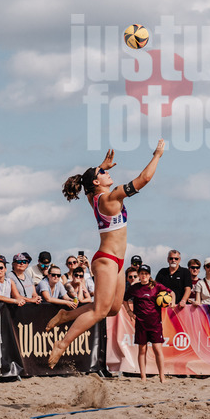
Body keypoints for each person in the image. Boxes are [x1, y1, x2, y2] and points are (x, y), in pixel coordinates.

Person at [46, 141, 166, 368]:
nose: (108, 174)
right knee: (100, 311)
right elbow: (144, 179)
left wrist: (101, 167)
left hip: (117, 261)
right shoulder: (111, 198)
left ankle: (65, 315)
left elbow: (90, 186)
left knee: (112, 308)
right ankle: (62, 344)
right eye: (103, 174)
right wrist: (158, 155)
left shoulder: (94, 197)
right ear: (96, 181)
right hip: (106, 260)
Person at [125, 265, 172, 382]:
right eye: (141, 273)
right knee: (142, 350)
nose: (144, 275)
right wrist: (129, 312)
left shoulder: (156, 286)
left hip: (155, 324)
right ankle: (143, 377)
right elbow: (124, 299)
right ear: (139, 275)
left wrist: (173, 302)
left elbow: (171, 293)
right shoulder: (135, 288)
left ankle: (162, 376)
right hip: (141, 324)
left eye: (146, 273)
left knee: (157, 349)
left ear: (149, 275)